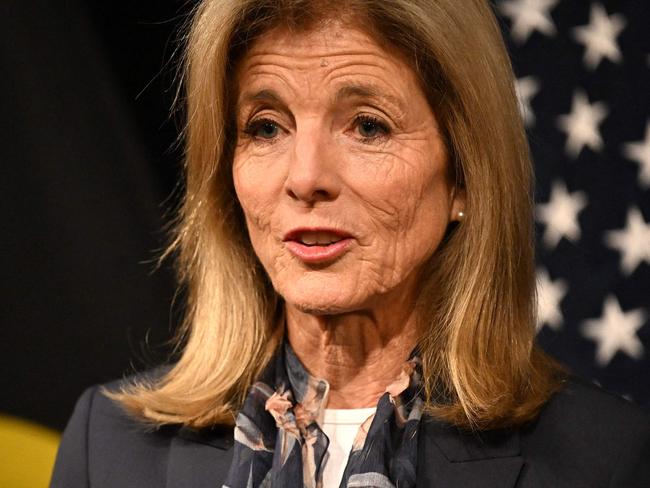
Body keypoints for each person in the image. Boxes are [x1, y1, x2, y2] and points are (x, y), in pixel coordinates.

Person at [50, 1, 650, 487]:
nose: (306, 177)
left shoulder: (606, 461)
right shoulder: (106, 448)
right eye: (266, 127)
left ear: (464, 173)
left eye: (367, 125)